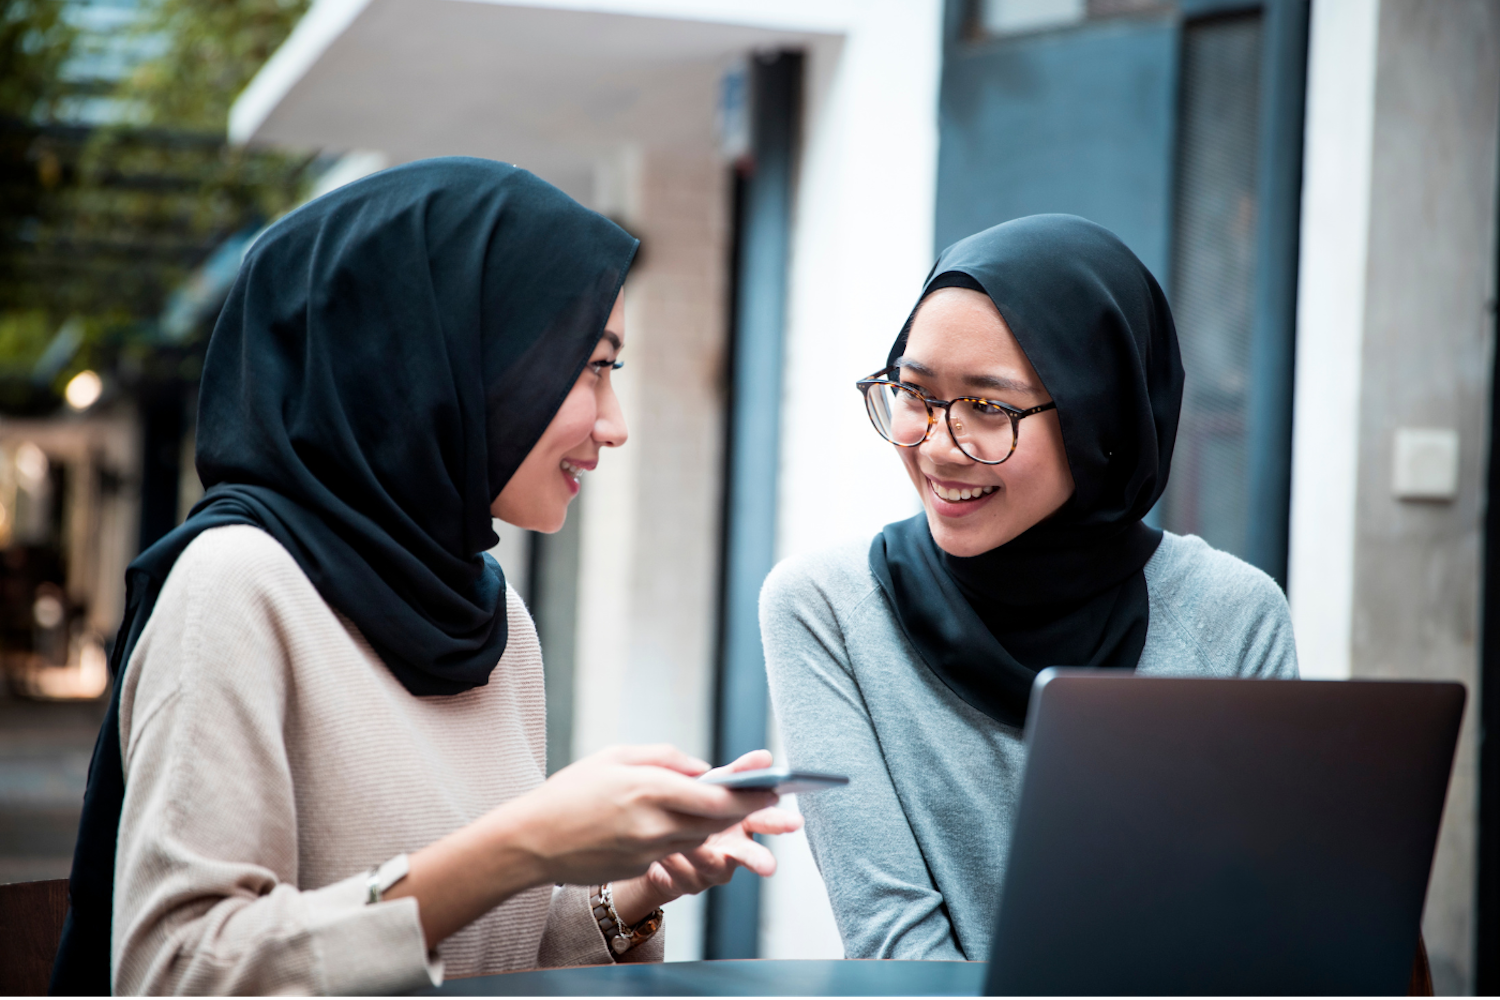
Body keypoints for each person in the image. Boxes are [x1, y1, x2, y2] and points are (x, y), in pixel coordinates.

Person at [52, 158, 799, 996]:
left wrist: (623, 894)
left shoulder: (492, 618)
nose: (614, 426)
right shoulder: (236, 586)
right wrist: (529, 840)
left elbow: (483, 950)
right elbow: (179, 971)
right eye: (592, 367)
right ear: (446, 356)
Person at [760, 215, 1298, 961]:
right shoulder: (827, 607)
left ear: (1099, 420)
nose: (939, 447)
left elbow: (1257, 926)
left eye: (989, 407)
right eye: (915, 394)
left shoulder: (1233, 615)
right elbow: (892, 941)